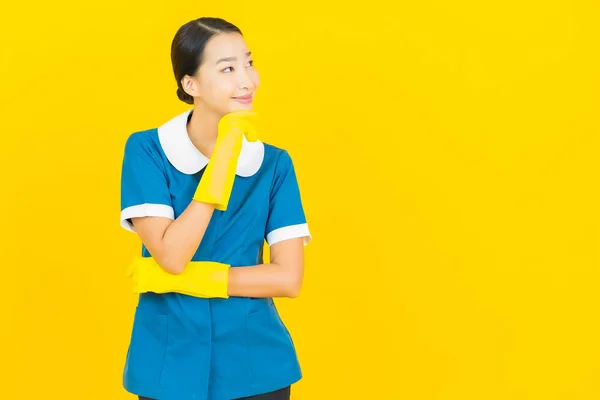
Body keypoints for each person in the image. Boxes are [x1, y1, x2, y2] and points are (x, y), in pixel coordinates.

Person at [118, 17, 311, 400]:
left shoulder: (274, 165)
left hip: (256, 368)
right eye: (228, 69)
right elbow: (172, 255)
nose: (248, 80)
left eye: (249, 63)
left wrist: (197, 281)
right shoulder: (147, 151)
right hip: (166, 366)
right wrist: (222, 161)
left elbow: (288, 278)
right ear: (191, 85)